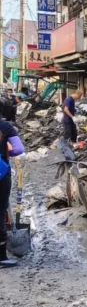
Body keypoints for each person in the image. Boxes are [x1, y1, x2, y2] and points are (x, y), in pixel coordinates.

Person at [0, 100, 23, 267]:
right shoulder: (6, 127)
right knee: (0, 213)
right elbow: (19, 149)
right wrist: (7, 152)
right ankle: (1, 257)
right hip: (1, 171)